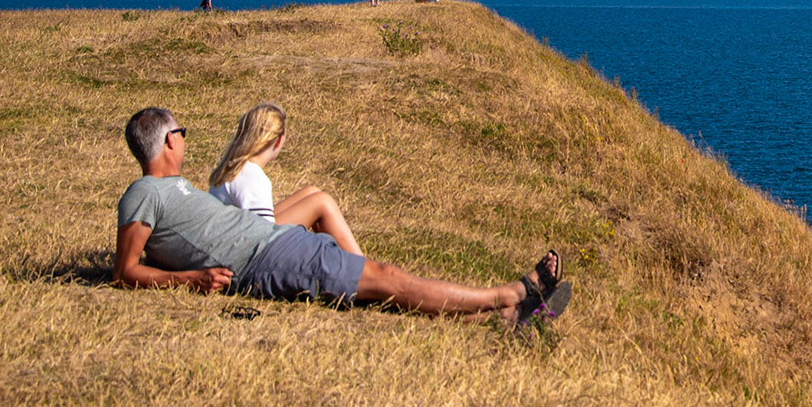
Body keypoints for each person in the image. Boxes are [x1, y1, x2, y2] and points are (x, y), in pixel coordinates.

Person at [115, 107, 570, 322]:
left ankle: (493, 317)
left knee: (380, 283)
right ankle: (509, 294)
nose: (185, 138)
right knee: (384, 277)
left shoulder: (175, 188)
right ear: (170, 140)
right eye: (182, 131)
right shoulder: (143, 193)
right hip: (264, 258)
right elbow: (125, 270)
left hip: (271, 244)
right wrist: (189, 281)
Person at [210, 102, 363, 256]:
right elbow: (263, 240)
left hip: (229, 242)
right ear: (279, 140)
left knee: (312, 193)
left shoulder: (234, 167)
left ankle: (345, 264)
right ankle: (365, 271)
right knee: (322, 202)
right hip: (241, 253)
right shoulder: (252, 176)